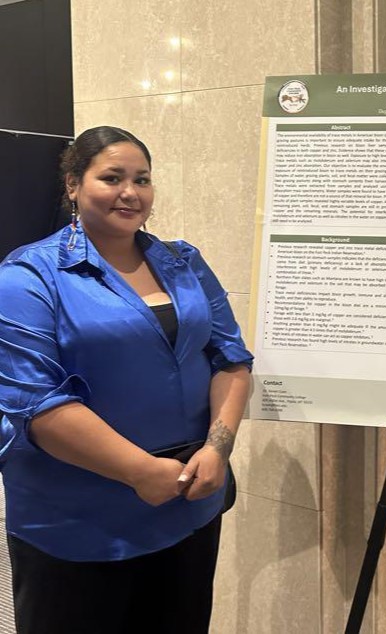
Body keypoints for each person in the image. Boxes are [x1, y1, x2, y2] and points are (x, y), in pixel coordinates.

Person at [0, 126, 253, 634]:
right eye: (112, 178)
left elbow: (231, 359)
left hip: (189, 501)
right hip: (79, 518)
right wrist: (140, 472)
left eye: (142, 179)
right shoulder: (27, 276)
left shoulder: (183, 262)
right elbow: (37, 405)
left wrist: (218, 448)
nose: (130, 192)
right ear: (73, 184)